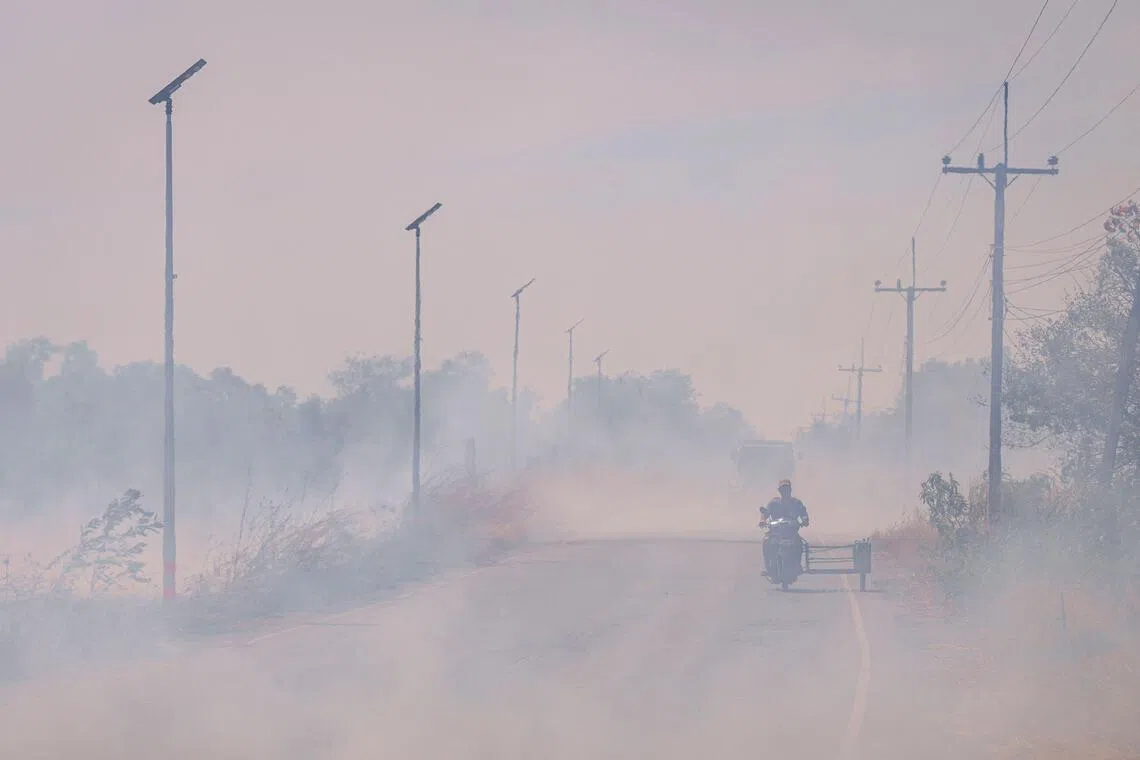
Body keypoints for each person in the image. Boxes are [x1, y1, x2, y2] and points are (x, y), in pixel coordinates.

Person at [759, 479, 809, 577]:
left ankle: (797, 565)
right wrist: (762, 520)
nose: (785, 491)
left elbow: (803, 513)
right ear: (779, 491)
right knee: (766, 541)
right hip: (775, 533)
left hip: (792, 533)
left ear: (790, 490)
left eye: (787, 489)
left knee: (799, 543)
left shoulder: (796, 503)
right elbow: (765, 513)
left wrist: (805, 520)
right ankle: (768, 566)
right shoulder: (773, 503)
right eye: (783, 489)